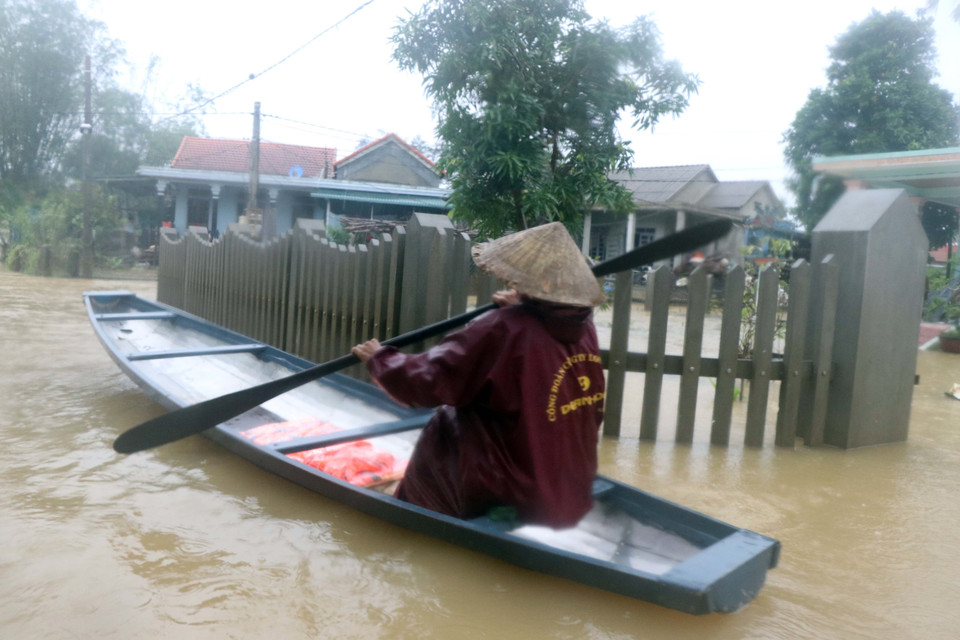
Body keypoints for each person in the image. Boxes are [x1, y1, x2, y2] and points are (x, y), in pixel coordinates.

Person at [352, 222, 606, 528]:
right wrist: (527, 308)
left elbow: (428, 381)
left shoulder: (502, 328)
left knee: (444, 430)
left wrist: (381, 359)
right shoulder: (582, 327)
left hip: (506, 490)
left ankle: (419, 523)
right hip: (564, 483)